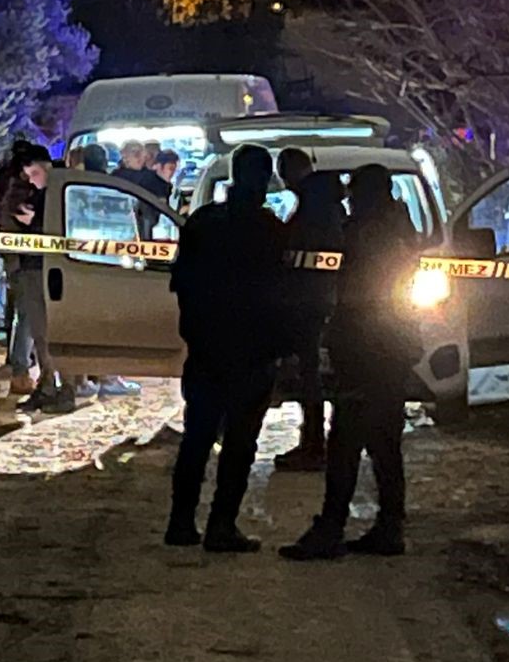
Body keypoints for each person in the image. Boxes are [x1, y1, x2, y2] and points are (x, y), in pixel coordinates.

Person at [280, 164, 421, 561]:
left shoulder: (369, 234)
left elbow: (358, 296)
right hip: (390, 348)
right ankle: (389, 527)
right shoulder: (397, 228)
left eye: (355, 194)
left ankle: (331, 529)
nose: (350, 202)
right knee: (384, 443)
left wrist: (338, 339)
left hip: (367, 350)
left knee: (345, 442)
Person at [166, 143, 289, 552]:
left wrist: (196, 330)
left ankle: (181, 523)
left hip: (207, 349)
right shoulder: (269, 229)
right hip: (251, 353)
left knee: (197, 438)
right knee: (239, 443)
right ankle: (221, 525)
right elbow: (280, 292)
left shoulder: (203, 221)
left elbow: (181, 281)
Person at [274, 149, 347, 471]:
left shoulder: (314, 207)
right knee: (320, 375)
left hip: (310, 304)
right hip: (328, 301)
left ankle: (315, 446)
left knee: (311, 376)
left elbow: (299, 253)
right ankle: (319, 443)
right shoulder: (327, 203)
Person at [0, 143, 75, 413]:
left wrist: (34, 222)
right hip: (33, 268)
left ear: (46, 168)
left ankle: (65, 391)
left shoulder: (60, 192)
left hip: (49, 270)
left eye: (33, 173)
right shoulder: (43, 193)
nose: (31, 180)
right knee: (41, 335)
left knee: (56, 334)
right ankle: (46, 387)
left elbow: (57, 229)